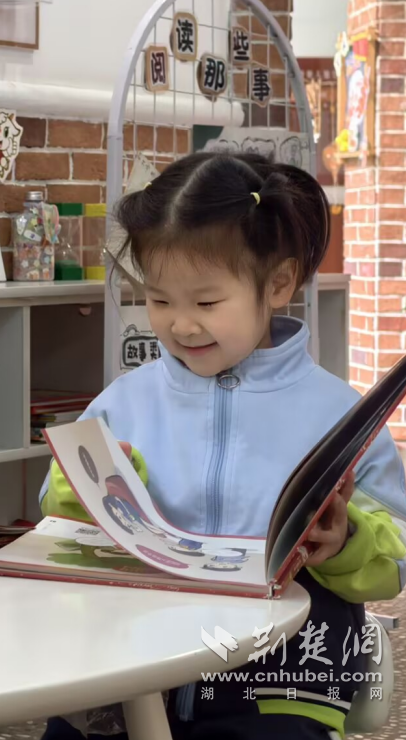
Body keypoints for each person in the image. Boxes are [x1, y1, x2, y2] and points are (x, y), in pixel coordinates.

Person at [39, 152, 406, 740]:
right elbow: (56, 514)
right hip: (133, 669)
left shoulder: (340, 417)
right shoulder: (124, 402)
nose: (181, 325)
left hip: (281, 680)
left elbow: (398, 554)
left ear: (278, 283)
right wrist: (80, 493)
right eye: (159, 300)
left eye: (206, 303)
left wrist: (345, 541)